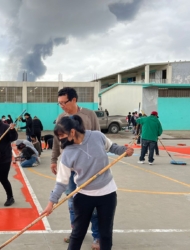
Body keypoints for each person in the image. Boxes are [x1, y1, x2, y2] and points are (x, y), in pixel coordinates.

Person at [42, 116, 134, 250]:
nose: (60, 139)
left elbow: (112, 147)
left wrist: (125, 151)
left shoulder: (97, 136)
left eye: (62, 135)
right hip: (83, 196)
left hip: (107, 194)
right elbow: (61, 182)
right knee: (77, 234)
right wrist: (51, 203)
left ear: (72, 132)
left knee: (106, 234)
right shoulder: (67, 154)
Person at [51, 87, 101, 246]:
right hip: (69, 168)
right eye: (59, 103)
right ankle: (76, 231)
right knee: (72, 203)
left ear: (74, 100)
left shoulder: (89, 115)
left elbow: (99, 139)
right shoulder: (61, 117)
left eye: (64, 102)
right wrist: (54, 159)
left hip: (88, 168)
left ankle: (97, 236)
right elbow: (56, 141)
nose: (62, 106)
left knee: (91, 204)